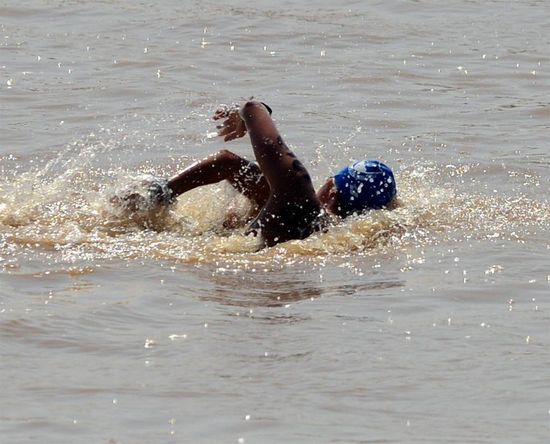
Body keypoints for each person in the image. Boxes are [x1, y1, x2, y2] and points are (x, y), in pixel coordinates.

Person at [119, 100, 397, 248]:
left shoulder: (298, 198)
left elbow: (253, 110)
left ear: (333, 189)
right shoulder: (322, 229)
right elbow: (229, 164)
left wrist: (159, 194)